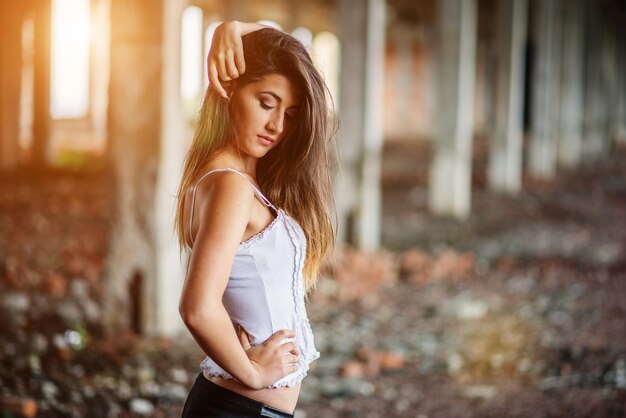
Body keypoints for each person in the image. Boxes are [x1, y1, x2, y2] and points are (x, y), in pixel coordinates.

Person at [174, 21, 336, 417]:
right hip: (237, 409)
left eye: (290, 114)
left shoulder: (238, 180)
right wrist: (252, 371)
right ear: (229, 89)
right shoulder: (230, 186)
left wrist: (233, 29)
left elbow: (281, 45)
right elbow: (196, 307)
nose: (277, 126)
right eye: (266, 103)